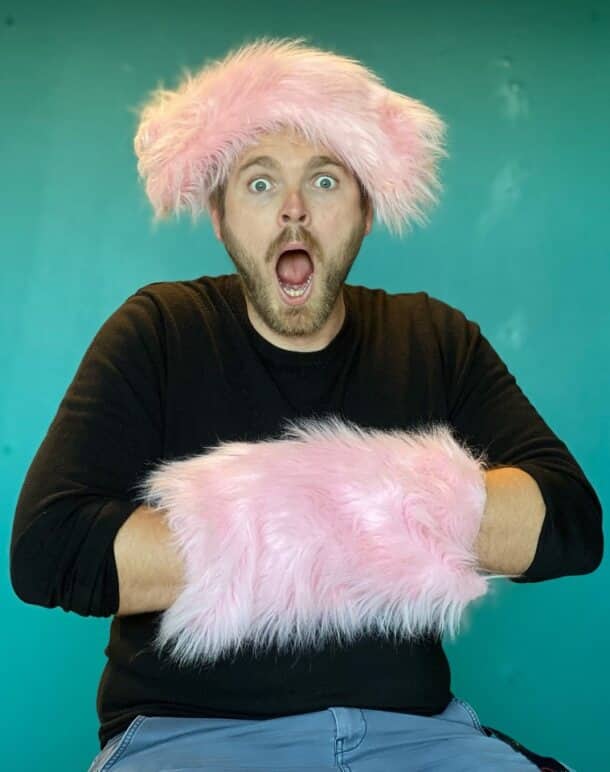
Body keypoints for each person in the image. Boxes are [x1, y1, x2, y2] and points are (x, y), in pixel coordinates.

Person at [10, 37, 600, 772]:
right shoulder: (159, 331)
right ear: (220, 215)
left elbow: (570, 522)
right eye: (260, 183)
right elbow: (49, 550)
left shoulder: (434, 337)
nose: (293, 211)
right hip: (192, 738)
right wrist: (366, 522)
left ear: (365, 208)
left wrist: (303, 520)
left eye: (324, 180)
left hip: (416, 738)